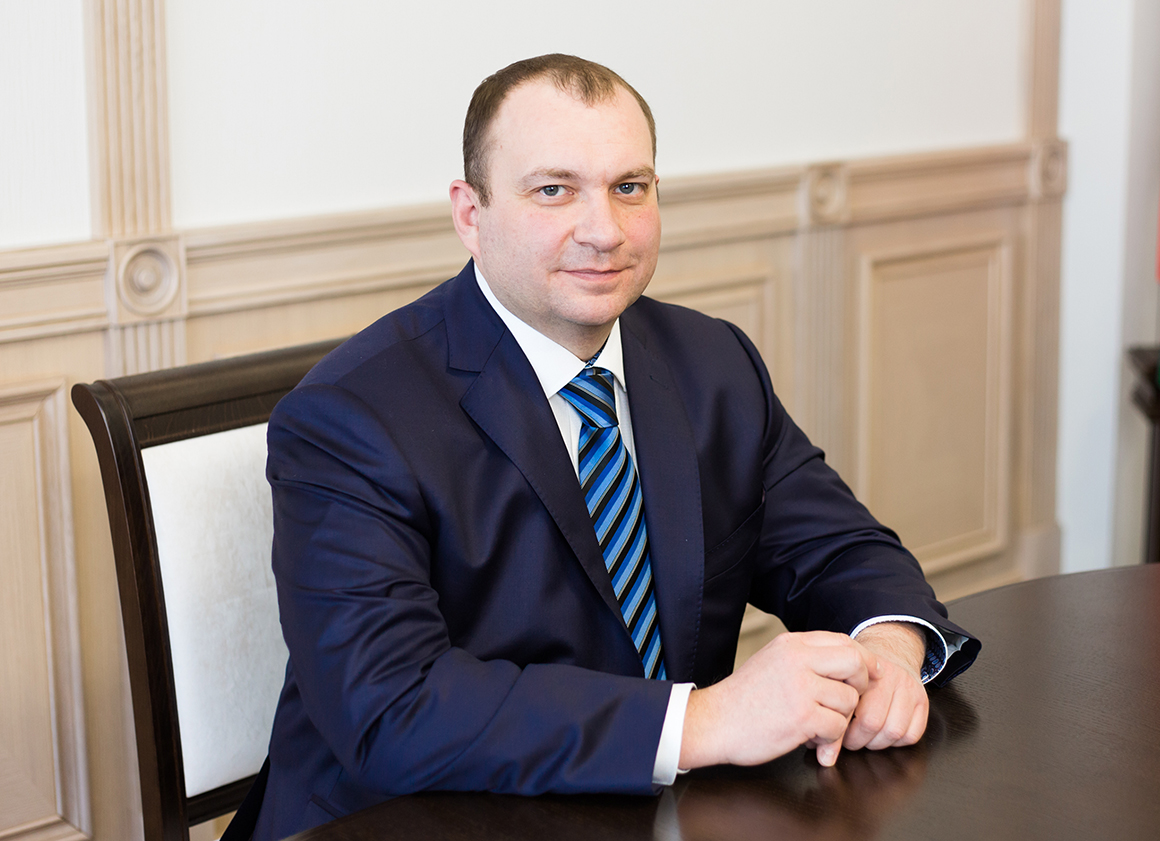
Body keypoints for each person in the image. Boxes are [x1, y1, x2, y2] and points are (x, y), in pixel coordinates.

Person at [251, 54, 979, 839]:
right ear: (470, 213)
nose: (604, 231)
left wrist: (890, 650)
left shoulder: (713, 362)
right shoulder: (351, 416)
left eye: (630, 187)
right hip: (413, 821)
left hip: (658, 813)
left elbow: (841, 549)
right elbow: (392, 709)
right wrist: (702, 720)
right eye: (554, 190)